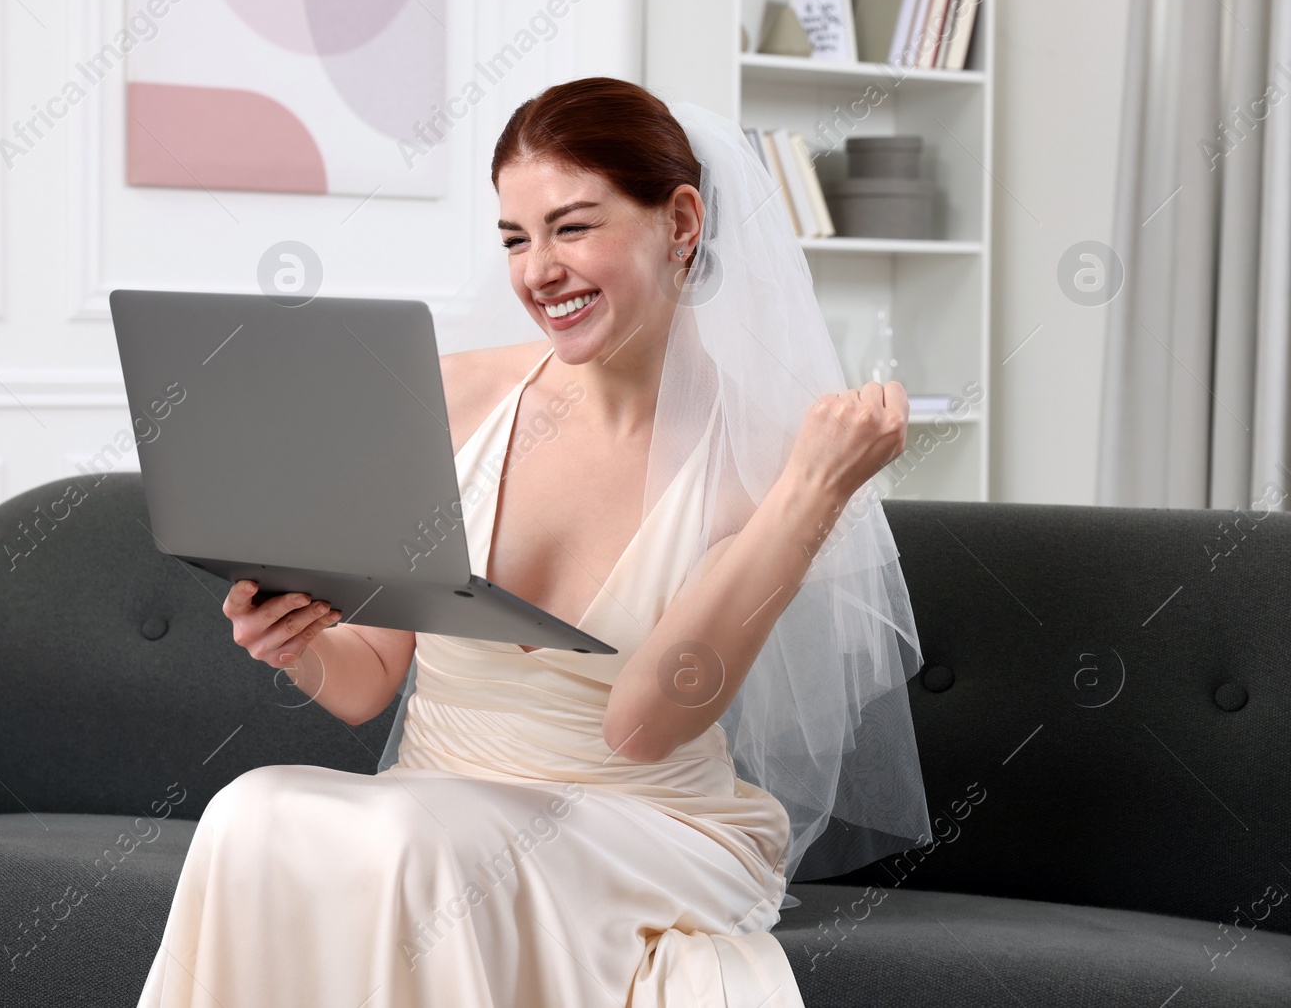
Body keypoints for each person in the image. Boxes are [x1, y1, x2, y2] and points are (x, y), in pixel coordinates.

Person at [136, 77, 931, 1007]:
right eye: (516, 237)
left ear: (681, 221)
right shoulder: (447, 396)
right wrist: (303, 643)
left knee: (418, 846)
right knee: (251, 809)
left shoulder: (765, 461)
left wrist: (812, 492)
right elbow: (367, 683)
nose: (538, 270)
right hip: (438, 797)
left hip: (644, 824)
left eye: (573, 227)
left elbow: (643, 721)